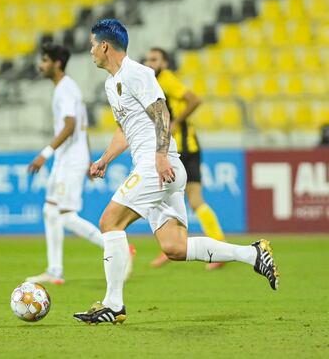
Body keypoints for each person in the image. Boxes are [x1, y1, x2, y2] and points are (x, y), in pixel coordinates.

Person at [73, 19, 279, 325]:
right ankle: (253, 254)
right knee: (175, 247)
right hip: (159, 168)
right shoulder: (110, 83)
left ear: (104, 46)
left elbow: (162, 113)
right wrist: (105, 159)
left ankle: (113, 305)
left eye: (92, 44)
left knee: (109, 222)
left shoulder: (138, 73)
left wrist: (159, 157)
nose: (90, 50)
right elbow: (125, 130)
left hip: (158, 166)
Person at [26, 43, 134, 284]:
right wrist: (87, 160)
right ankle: (55, 270)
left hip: (68, 161)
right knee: (50, 210)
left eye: (44, 60)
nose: (40, 65)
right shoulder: (66, 88)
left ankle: (120, 250)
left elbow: (71, 125)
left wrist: (45, 153)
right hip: (68, 159)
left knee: (65, 215)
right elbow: (82, 128)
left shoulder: (65, 89)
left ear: (56, 63)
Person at [144, 47, 226, 270]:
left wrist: (176, 122)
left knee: (188, 200)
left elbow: (194, 99)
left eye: (154, 59)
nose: (149, 63)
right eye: (147, 59)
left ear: (165, 63)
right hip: (177, 148)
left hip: (183, 149)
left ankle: (217, 247)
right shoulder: (154, 82)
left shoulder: (166, 80)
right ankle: (171, 246)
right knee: (171, 199)